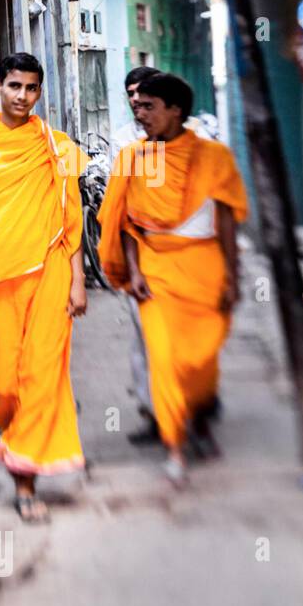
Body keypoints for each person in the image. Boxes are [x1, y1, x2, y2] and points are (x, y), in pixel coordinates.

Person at [0, 53, 88, 523]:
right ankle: (20, 443)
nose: (22, 96)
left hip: (50, 273)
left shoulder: (55, 146)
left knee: (41, 375)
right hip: (0, 280)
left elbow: (71, 218)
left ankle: (26, 483)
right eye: (14, 86)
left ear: (39, 92)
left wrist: (79, 280)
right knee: (2, 378)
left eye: (30, 88)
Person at [97, 72, 248, 486]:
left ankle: (197, 420)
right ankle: (176, 445)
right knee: (161, 359)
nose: (139, 113)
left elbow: (228, 220)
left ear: (176, 110)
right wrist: (136, 270)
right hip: (156, 270)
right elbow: (125, 221)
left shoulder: (213, 157)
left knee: (197, 361)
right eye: (137, 106)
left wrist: (233, 276)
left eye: (149, 106)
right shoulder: (132, 158)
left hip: (203, 268)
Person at [112, 66, 211, 444]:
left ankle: (193, 414)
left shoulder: (193, 142)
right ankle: (154, 415)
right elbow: (124, 212)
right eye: (131, 96)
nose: (137, 103)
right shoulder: (125, 144)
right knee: (145, 343)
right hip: (145, 259)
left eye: (144, 96)